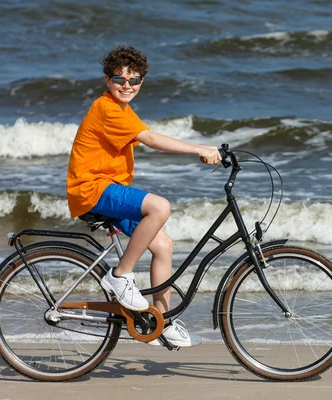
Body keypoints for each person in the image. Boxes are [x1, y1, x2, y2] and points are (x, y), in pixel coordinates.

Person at [66, 45, 221, 347]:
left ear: (141, 82)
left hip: (108, 188)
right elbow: (150, 139)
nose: (127, 86)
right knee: (159, 207)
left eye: (134, 80)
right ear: (107, 81)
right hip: (92, 189)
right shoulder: (106, 108)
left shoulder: (123, 109)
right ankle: (120, 275)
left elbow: (146, 135)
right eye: (119, 79)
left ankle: (160, 320)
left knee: (163, 245)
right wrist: (199, 148)